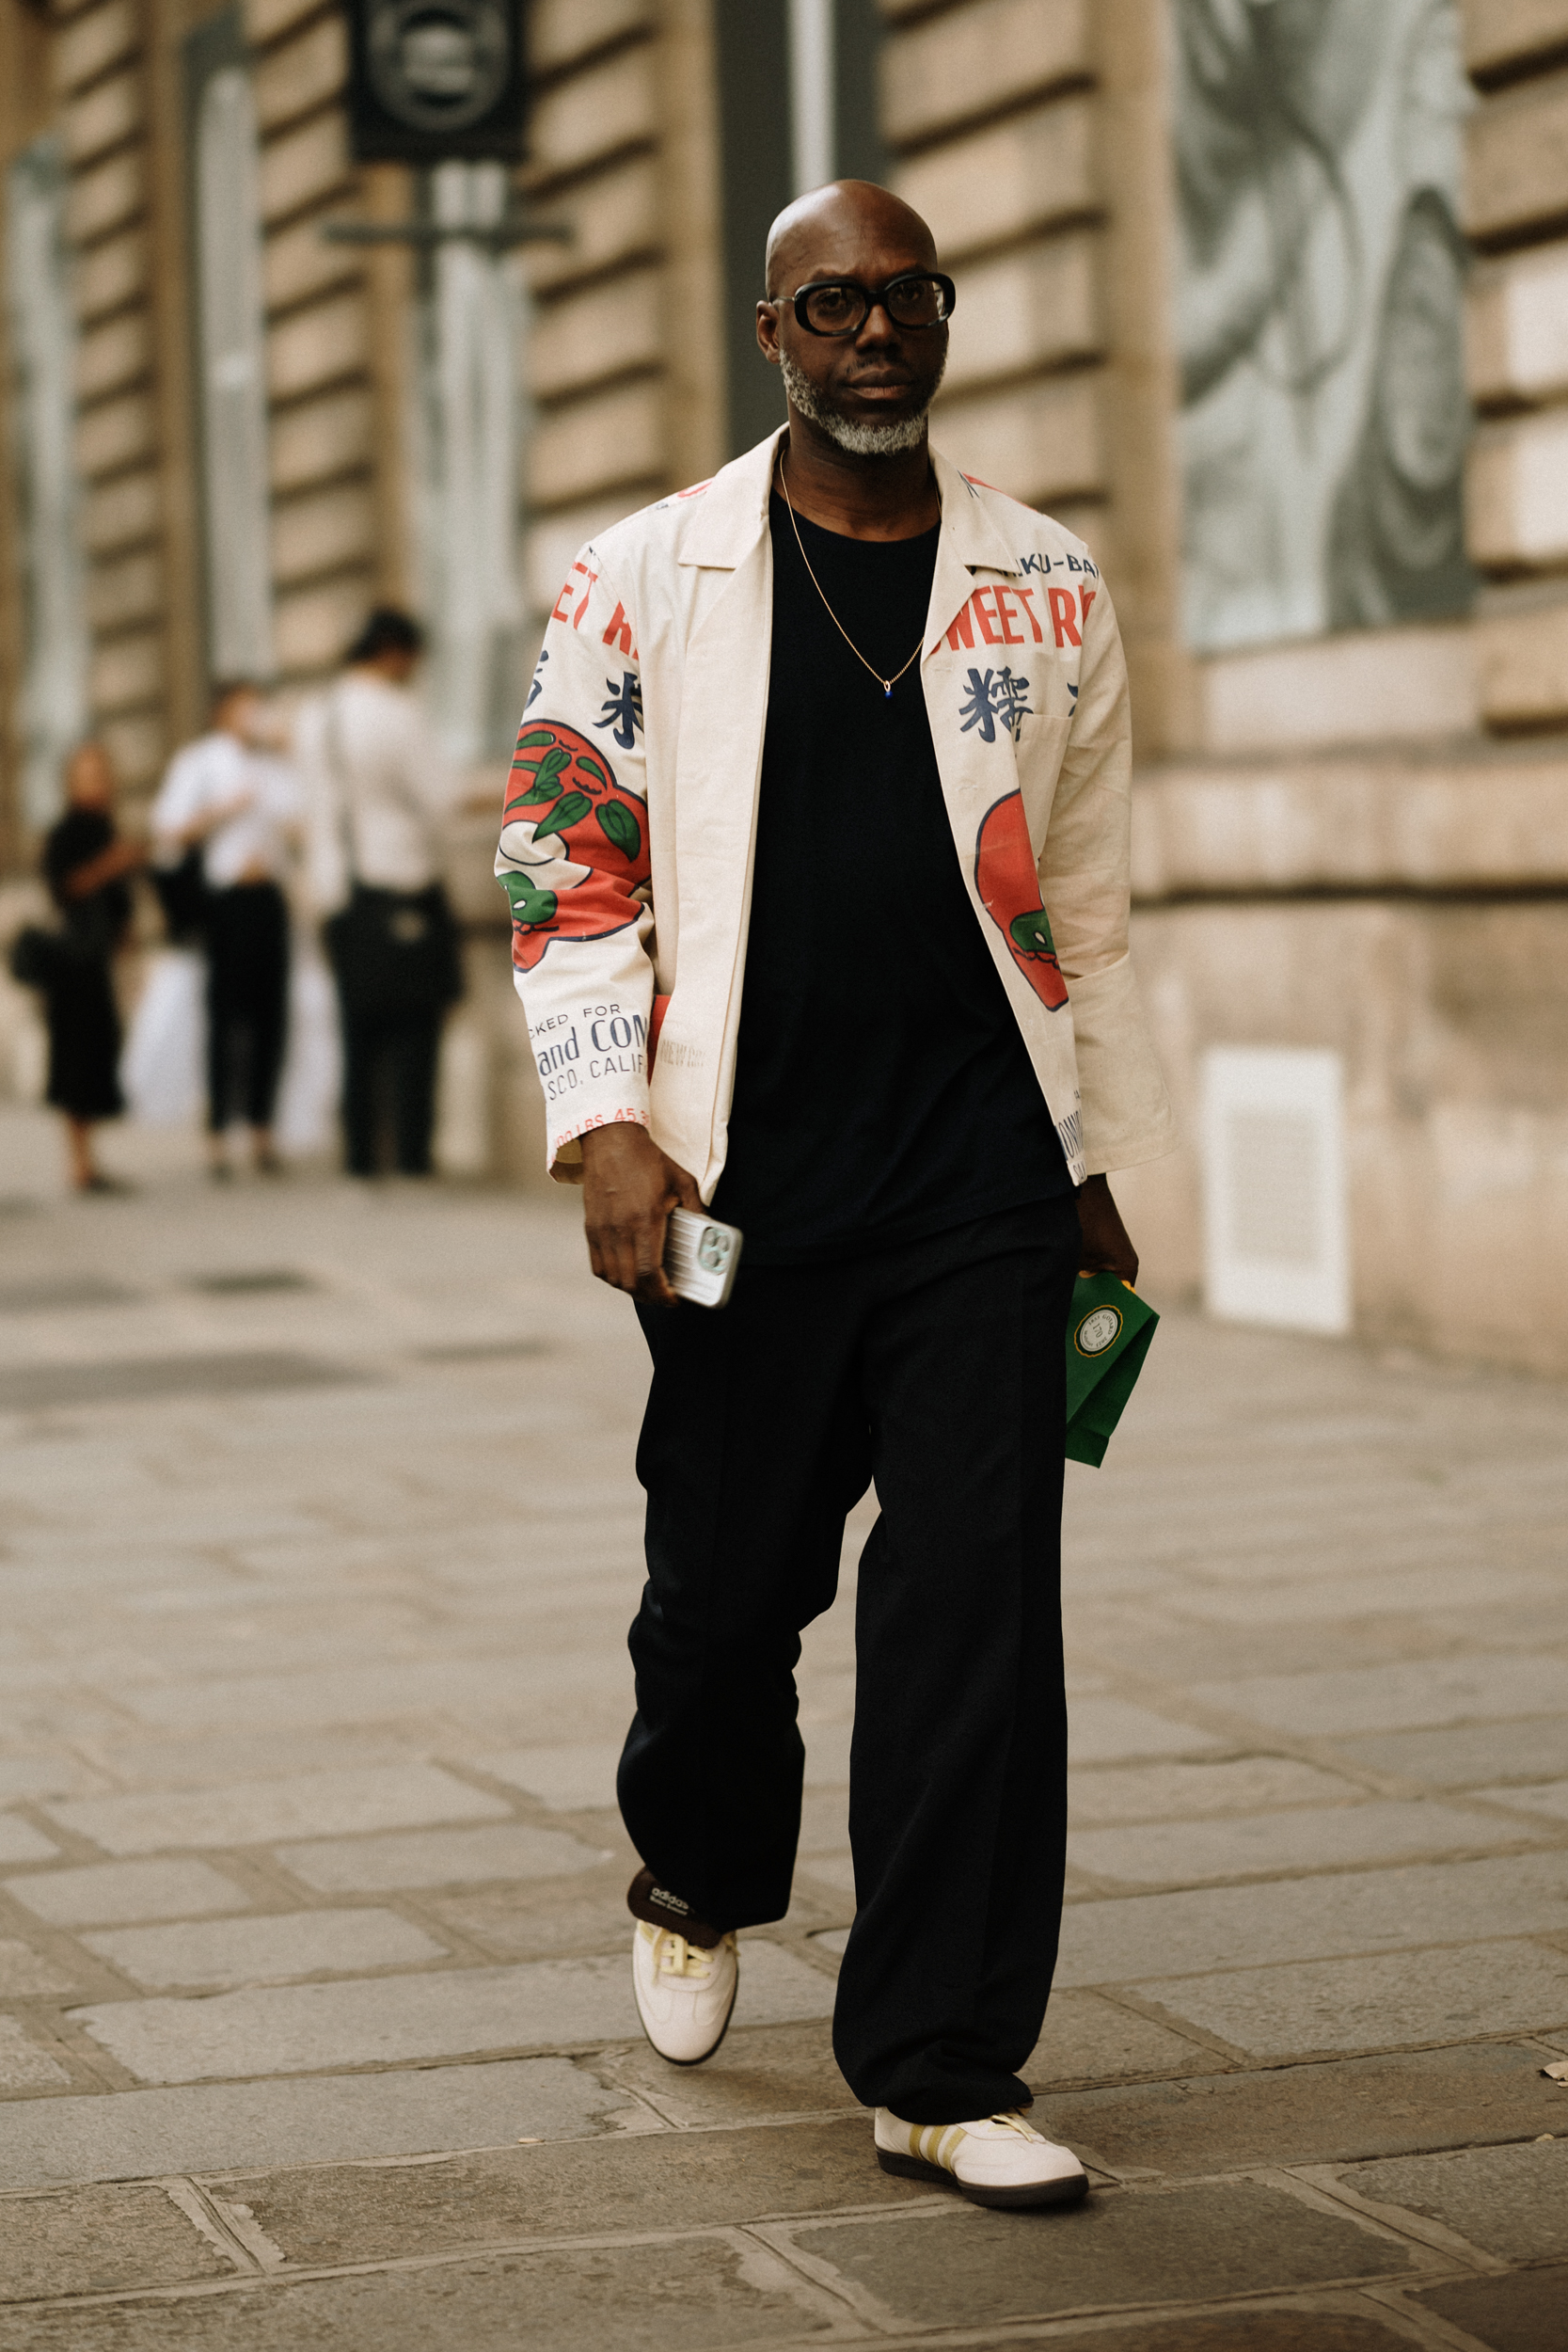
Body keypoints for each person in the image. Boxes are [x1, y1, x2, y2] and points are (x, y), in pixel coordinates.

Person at [495, 181, 1175, 2210]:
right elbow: (560, 855)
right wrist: (604, 1116)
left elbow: (1089, 901)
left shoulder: (1041, 581)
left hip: (975, 1170)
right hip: (735, 1175)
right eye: (832, 305)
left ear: (941, 319)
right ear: (768, 333)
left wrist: (1088, 1159)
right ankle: (698, 1858)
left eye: (908, 297)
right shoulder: (643, 572)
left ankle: (940, 2058)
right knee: (725, 1594)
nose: (877, 331)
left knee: (976, 1599)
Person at [297, 609, 463, 1179]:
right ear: (395, 652)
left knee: (357, 1029)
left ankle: (361, 1153)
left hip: (337, 891)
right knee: (416, 1028)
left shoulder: (315, 716)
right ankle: (413, 1152)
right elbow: (439, 797)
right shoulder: (395, 714)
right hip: (401, 882)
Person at [151, 682, 301, 1179]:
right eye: (245, 707)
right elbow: (168, 831)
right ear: (222, 712)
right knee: (225, 1019)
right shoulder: (199, 763)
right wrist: (222, 811)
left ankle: (263, 1130)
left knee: (270, 1017)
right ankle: (217, 1134)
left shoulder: (276, 766)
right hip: (226, 901)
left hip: (270, 898)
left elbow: (302, 823)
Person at [38, 741, 142, 1193]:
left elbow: (119, 900)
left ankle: (89, 1160)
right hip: (72, 963)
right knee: (76, 1060)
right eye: (87, 774)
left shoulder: (106, 826)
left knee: (98, 1054)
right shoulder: (65, 832)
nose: (96, 782)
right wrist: (110, 865)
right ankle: (79, 1163)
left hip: (99, 959)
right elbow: (63, 888)